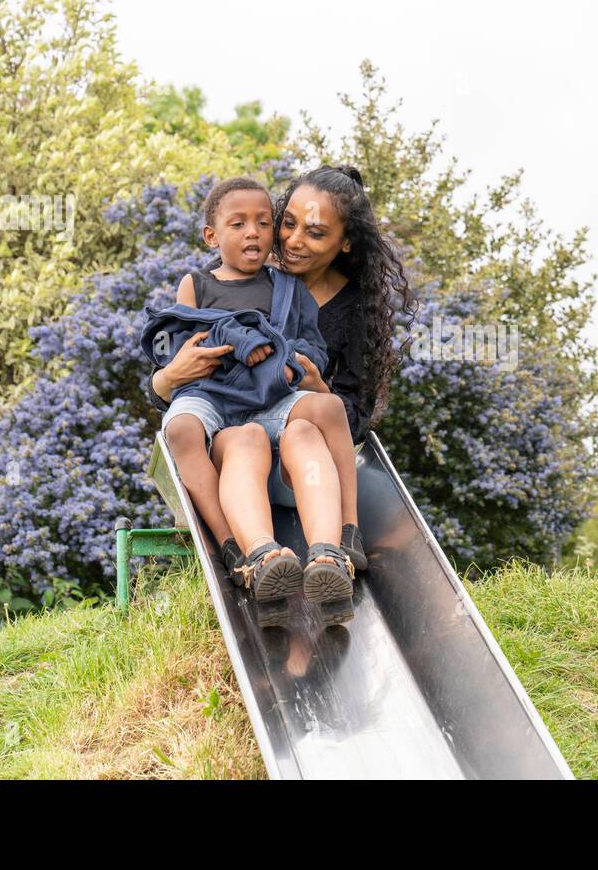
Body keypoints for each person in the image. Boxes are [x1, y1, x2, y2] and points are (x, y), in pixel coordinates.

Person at [148, 165, 414, 620]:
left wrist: (312, 384)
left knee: (307, 429)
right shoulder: (240, 269)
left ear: (344, 242)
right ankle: (245, 552)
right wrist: (169, 377)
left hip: (299, 458)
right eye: (287, 222)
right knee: (243, 440)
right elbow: (178, 368)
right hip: (234, 449)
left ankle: (337, 545)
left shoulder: (340, 307)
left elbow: (350, 417)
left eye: (313, 232)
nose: (289, 241)